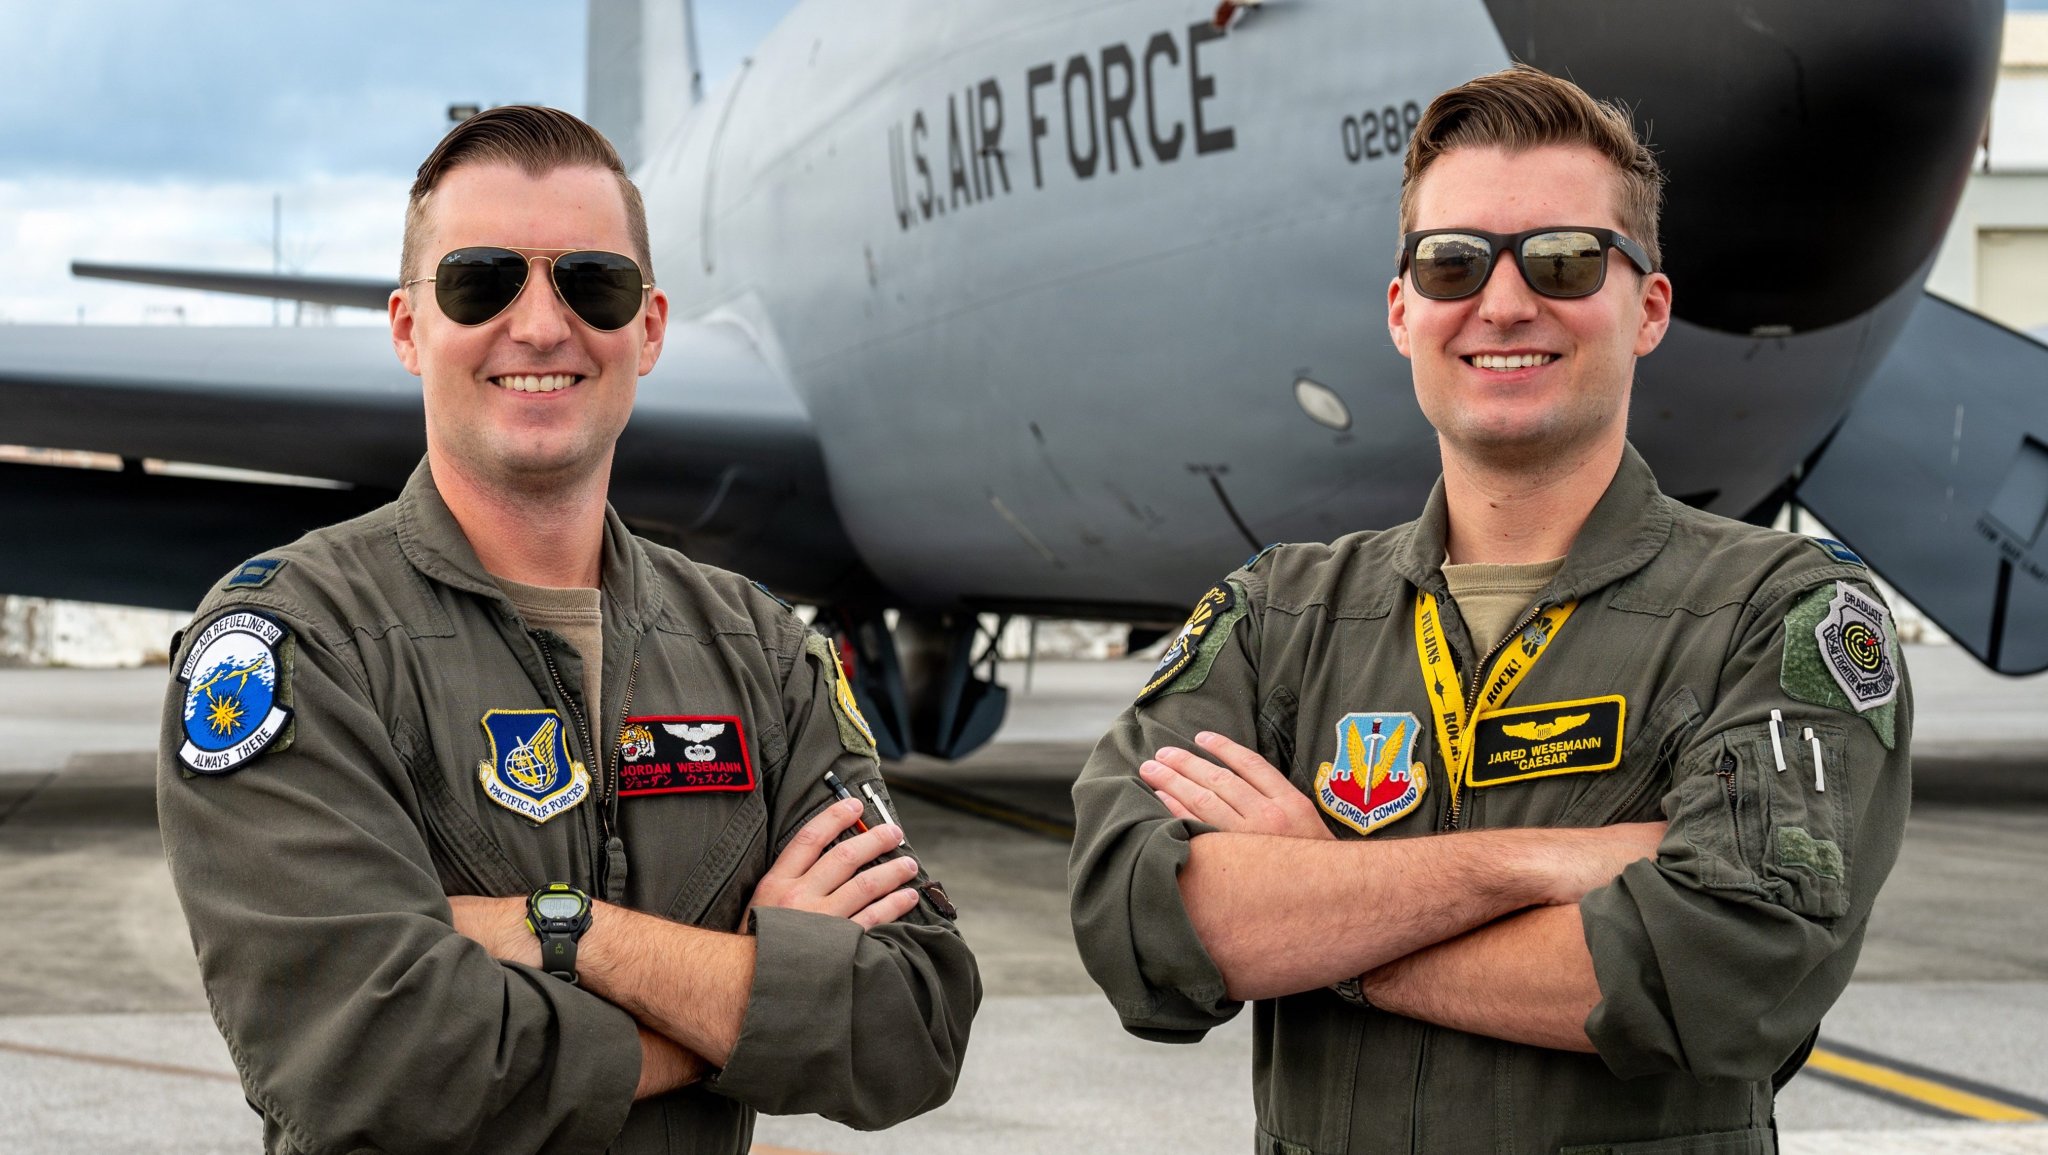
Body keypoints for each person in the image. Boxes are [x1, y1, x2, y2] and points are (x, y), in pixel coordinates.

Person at [1069, 65, 1909, 1155]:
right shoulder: (1281, 615)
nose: (1503, 304)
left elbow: (1725, 974)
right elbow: (1136, 920)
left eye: (1564, 260)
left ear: (1649, 308)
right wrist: (1527, 865)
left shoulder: (1780, 613)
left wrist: (1322, 899)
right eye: (1452, 262)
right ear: (1402, 310)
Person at [157, 105, 978, 1155]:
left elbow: (912, 1019)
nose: (542, 326)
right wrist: (754, 991)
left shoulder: (759, 650)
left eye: (593, 283)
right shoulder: (295, 643)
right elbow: (374, 1064)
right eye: (481, 281)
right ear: (409, 327)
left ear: (650, 327)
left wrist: (567, 932)